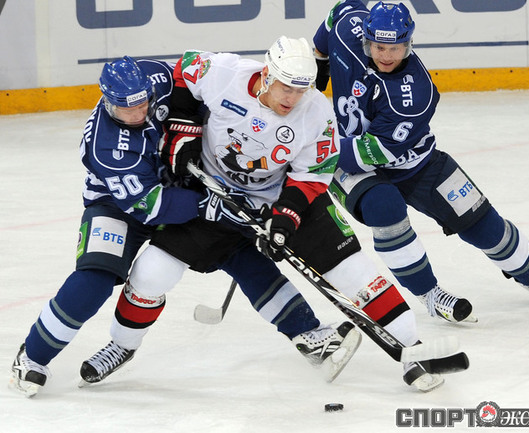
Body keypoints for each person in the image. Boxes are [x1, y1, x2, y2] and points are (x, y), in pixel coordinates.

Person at [81, 36, 452, 393]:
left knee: (352, 270)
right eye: (286, 87)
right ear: (266, 75)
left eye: (301, 89)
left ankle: (413, 349)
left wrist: (286, 217)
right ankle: (122, 345)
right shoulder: (226, 73)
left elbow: (312, 176)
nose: (292, 98)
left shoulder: (316, 114)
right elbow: (184, 70)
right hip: (210, 193)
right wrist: (185, 131)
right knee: (151, 273)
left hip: (281, 195)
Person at [8, 56, 358, 397]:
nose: (139, 114)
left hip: (189, 185)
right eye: (127, 110)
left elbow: (192, 84)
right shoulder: (106, 147)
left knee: (239, 254)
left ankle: (308, 333)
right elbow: (149, 205)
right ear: (108, 101)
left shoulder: (155, 78)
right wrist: (206, 205)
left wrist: (188, 131)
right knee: (94, 280)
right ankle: (35, 356)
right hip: (121, 205)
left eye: (143, 104)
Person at [312, 1, 529, 323]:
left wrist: (311, 147)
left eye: (395, 48)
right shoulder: (348, 30)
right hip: (353, 168)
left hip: (409, 161)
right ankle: (429, 293)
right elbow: (339, 12)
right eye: (379, 47)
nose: (386, 56)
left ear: (409, 44)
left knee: (483, 224)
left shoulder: (415, 95)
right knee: (385, 207)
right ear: (366, 39)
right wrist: (320, 59)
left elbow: (366, 154)